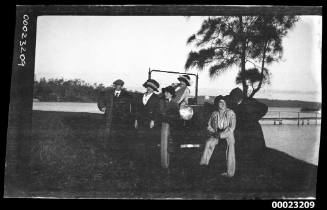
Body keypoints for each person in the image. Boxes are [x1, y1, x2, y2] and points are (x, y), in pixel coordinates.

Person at [228, 87, 268, 164]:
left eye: (233, 98)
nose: (232, 100)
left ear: (236, 97)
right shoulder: (239, 106)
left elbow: (265, 107)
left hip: (253, 130)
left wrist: (255, 118)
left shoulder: (247, 103)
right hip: (248, 130)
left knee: (255, 149)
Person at [200, 95, 236, 177]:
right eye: (220, 102)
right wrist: (213, 132)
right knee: (208, 143)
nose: (222, 104)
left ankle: (230, 173)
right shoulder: (214, 113)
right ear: (217, 104)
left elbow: (231, 128)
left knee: (230, 148)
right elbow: (209, 125)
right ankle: (203, 166)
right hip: (216, 133)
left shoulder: (231, 113)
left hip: (227, 134)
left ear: (226, 104)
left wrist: (221, 135)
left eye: (224, 103)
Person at [97, 79, 132, 154]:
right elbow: (100, 100)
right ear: (114, 85)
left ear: (122, 86)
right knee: (107, 132)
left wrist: (126, 115)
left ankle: (118, 148)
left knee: (118, 132)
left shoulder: (126, 95)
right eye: (116, 85)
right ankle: (105, 148)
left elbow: (128, 106)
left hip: (120, 117)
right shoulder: (108, 93)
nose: (117, 87)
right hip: (109, 116)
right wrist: (102, 107)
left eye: (119, 85)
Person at [134, 79, 161, 167]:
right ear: (146, 87)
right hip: (141, 121)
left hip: (150, 122)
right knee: (140, 139)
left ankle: (149, 161)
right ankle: (140, 159)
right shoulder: (141, 96)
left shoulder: (157, 98)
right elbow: (137, 109)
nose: (149, 89)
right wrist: (136, 120)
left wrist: (153, 120)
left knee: (150, 140)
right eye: (148, 87)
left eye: (152, 88)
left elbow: (157, 111)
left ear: (154, 89)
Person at [159, 86, 180, 168]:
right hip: (161, 122)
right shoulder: (161, 101)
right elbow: (161, 112)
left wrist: (172, 116)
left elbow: (177, 114)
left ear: (171, 94)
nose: (166, 94)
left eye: (168, 93)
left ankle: (171, 142)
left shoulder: (175, 104)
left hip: (171, 124)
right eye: (165, 92)